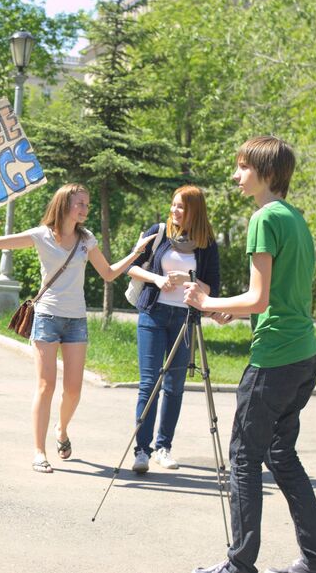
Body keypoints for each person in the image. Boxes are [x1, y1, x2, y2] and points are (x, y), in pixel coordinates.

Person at [185, 136, 316, 573]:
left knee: (245, 458)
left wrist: (207, 303)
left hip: (274, 360)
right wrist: (232, 309)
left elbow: (258, 297)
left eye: (243, 167)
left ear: (266, 173)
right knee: (282, 456)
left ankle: (239, 564)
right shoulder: (295, 217)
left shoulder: (263, 217)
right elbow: (273, 297)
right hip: (304, 356)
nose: (236, 174)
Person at [0, 183, 155, 473]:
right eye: (79, 203)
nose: (85, 208)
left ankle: (62, 428)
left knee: (73, 390)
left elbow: (108, 274)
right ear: (63, 205)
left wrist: (135, 253)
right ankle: (39, 451)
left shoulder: (87, 240)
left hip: (76, 321)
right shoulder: (40, 235)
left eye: (86, 204)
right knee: (46, 386)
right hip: (46, 317)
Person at [125, 185, 220, 473]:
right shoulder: (158, 232)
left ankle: (162, 447)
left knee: (174, 386)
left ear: (195, 210)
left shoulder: (206, 242)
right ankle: (141, 450)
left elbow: (211, 287)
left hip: (185, 319)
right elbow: (131, 266)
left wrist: (187, 278)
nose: (174, 211)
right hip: (153, 314)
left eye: (181, 206)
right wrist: (156, 279)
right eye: (173, 205)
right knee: (149, 383)